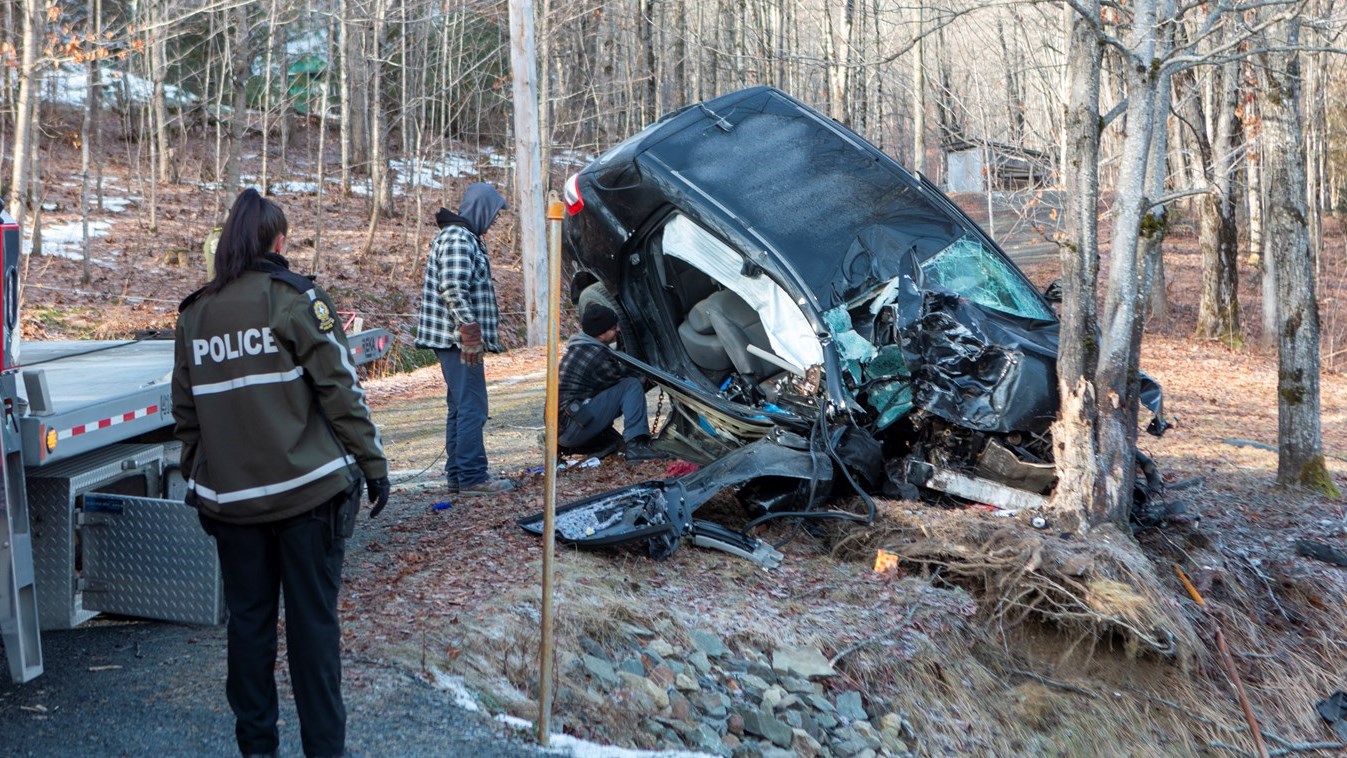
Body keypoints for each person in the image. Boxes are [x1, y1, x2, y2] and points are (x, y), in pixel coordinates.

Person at [172, 188, 389, 758]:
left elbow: (186, 415)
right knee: (313, 633)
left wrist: (202, 478)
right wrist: (374, 465)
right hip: (308, 498)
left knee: (249, 630)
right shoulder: (294, 299)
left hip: (233, 506)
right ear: (278, 241)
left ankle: (257, 751)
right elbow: (341, 390)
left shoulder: (195, 316)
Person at [415, 182, 515, 495]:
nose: (495, 221)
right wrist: (469, 329)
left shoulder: (463, 236)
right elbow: (452, 287)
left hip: (453, 338)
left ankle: (458, 475)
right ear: (482, 209)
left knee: (460, 406)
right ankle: (473, 476)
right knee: (473, 406)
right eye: (495, 214)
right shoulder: (459, 237)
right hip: (456, 339)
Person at [557, 304, 665, 462]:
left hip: (562, 429)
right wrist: (653, 374)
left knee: (622, 390)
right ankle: (636, 446)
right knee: (631, 385)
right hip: (573, 428)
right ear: (601, 333)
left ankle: (600, 442)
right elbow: (629, 383)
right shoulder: (596, 357)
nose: (619, 330)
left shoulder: (579, 348)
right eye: (614, 327)